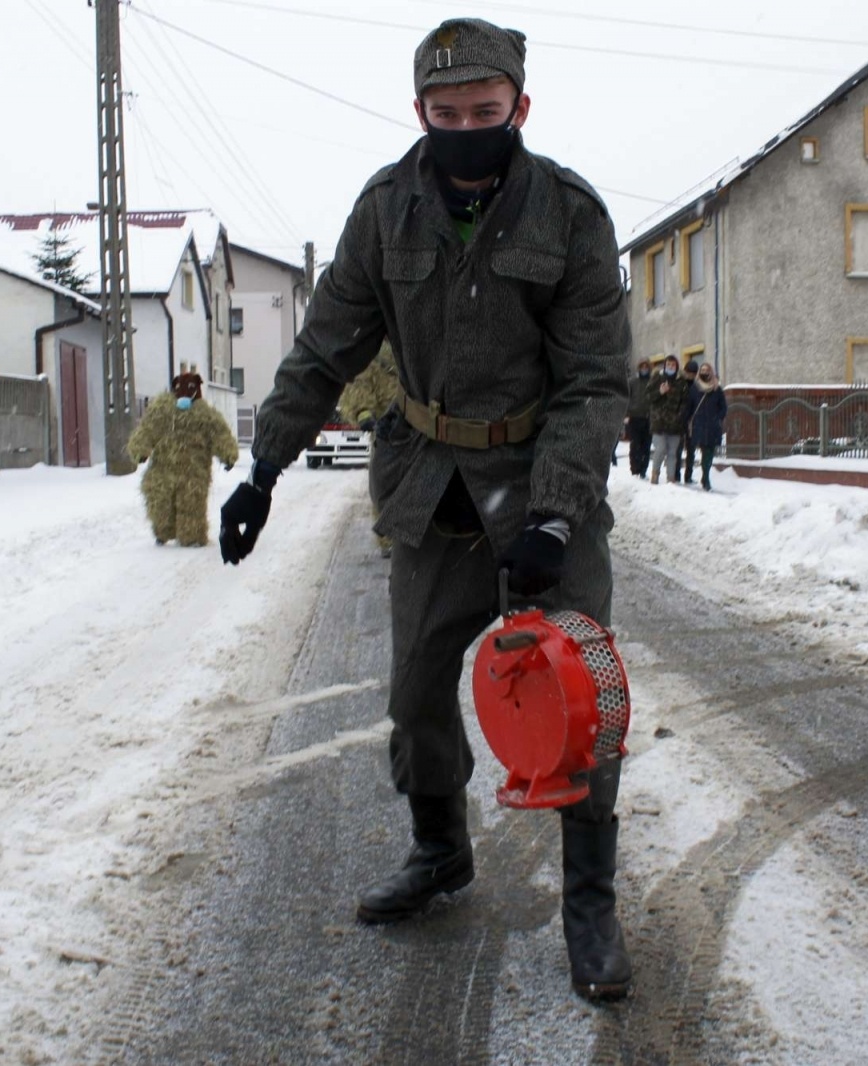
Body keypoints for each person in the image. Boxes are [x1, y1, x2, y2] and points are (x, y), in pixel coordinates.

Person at [216, 16, 633, 1002]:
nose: (463, 131)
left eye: (483, 114)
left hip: (540, 484)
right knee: (413, 693)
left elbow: (594, 381)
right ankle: (439, 849)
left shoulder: (568, 213)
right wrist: (263, 470)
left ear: (518, 109)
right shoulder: (384, 211)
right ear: (419, 113)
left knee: (582, 703)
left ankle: (590, 900)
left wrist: (559, 513)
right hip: (429, 486)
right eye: (444, 115)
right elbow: (324, 350)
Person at [127, 370, 238, 546]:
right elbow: (147, 430)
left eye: (190, 388)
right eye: (179, 388)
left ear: (197, 389)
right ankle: (163, 531)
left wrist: (228, 455)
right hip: (163, 468)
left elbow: (220, 434)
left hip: (193, 471)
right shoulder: (163, 412)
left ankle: (192, 536)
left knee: (191, 502)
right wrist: (140, 450)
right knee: (160, 499)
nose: (184, 393)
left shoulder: (205, 415)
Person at [338, 341, 402, 557]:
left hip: (423, 428)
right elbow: (360, 381)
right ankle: (389, 538)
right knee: (384, 484)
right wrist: (364, 413)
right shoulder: (374, 351)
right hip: (386, 432)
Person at [683, 361, 728, 490]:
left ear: (711, 372)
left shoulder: (717, 389)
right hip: (699, 425)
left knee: (709, 452)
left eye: (707, 370)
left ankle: (705, 475)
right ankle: (705, 478)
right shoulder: (695, 388)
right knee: (703, 450)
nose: (704, 372)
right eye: (702, 370)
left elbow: (723, 407)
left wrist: (718, 418)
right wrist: (687, 420)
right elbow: (689, 406)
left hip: (713, 426)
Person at [646, 354, 689, 484]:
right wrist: (660, 392)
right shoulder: (657, 378)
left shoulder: (681, 382)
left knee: (672, 452)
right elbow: (648, 397)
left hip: (675, 424)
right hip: (659, 422)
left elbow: (685, 402)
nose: (671, 367)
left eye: (673, 365)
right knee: (660, 449)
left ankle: (671, 479)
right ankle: (655, 475)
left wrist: (679, 415)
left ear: (676, 367)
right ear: (665, 366)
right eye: (669, 365)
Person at [624, 358, 653, 478]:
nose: (644, 369)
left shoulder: (652, 381)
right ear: (639, 368)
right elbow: (626, 398)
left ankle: (643, 469)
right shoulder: (632, 382)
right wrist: (626, 414)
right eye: (642, 367)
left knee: (646, 445)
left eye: (646, 367)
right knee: (635, 445)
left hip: (649, 418)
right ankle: (635, 469)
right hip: (634, 417)